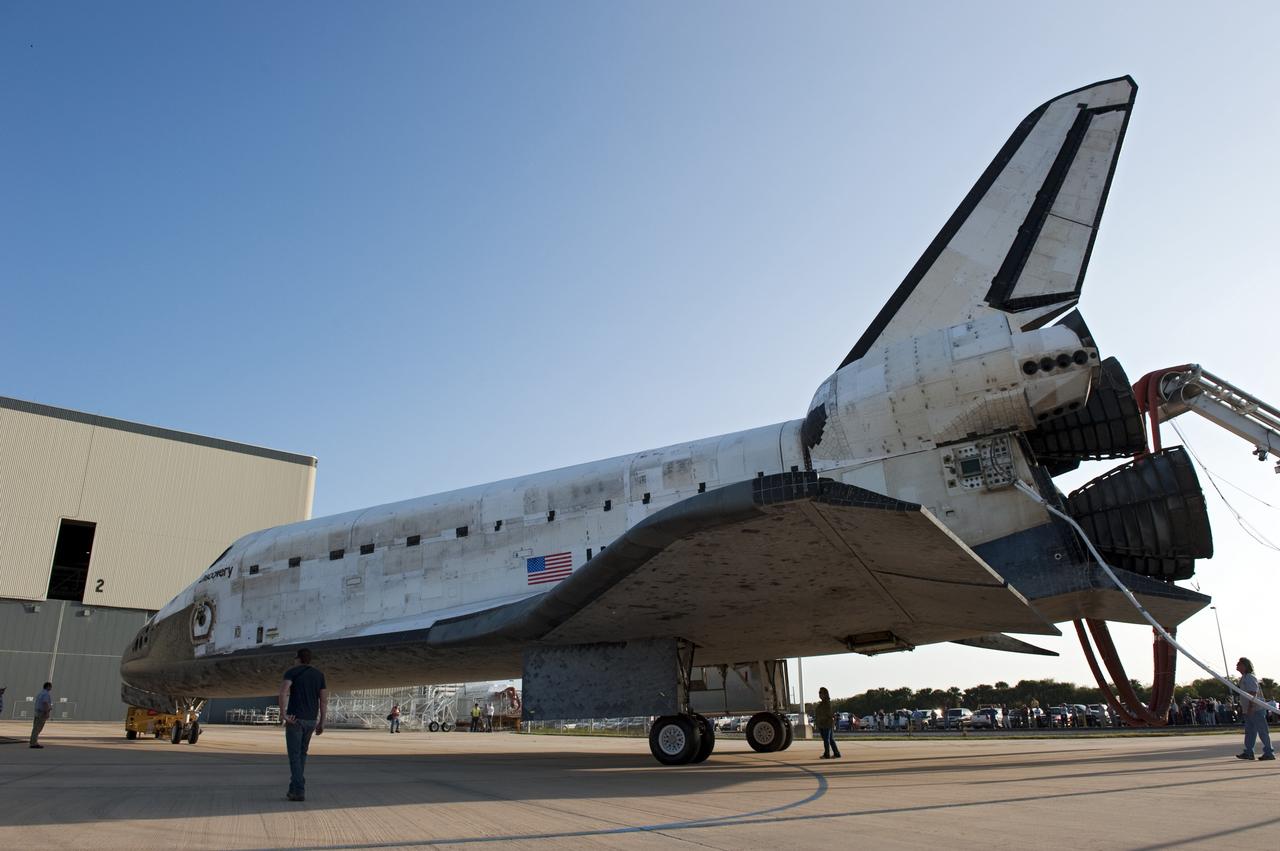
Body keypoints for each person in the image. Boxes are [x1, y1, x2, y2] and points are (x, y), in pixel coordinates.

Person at [279, 648, 327, 801]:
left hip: (295, 719)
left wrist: (283, 713)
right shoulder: (319, 675)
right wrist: (322, 721)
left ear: (298, 658)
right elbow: (323, 700)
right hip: (311, 720)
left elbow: (283, 692)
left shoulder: (291, 672)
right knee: (302, 754)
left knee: (294, 756)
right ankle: (293, 789)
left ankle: (299, 789)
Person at [1234, 657, 1274, 761]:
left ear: (1245, 666)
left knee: (1262, 731)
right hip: (1248, 710)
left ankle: (1269, 752)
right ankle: (1249, 752)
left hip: (1256, 709)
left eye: (1239, 664)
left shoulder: (1250, 677)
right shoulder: (1243, 678)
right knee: (1250, 732)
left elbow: (1253, 693)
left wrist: (1251, 707)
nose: (1237, 666)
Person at [814, 687, 841, 759]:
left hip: (826, 724)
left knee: (826, 740)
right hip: (823, 724)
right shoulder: (822, 703)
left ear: (825, 694)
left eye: (821, 693)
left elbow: (829, 714)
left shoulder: (827, 703)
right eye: (819, 693)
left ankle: (827, 754)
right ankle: (836, 753)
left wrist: (825, 720)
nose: (819, 694)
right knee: (830, 739)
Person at [29, 681, 53, 748]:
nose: (51, 688)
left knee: (35, 728)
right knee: (38, 728)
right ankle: (34, 743)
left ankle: (33, 741)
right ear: (48, 687)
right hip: (42, 713)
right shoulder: (46, 694)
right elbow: (45, 703)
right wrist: (47, 712)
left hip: (37, 712)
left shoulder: (40, 693)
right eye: (50, 687)